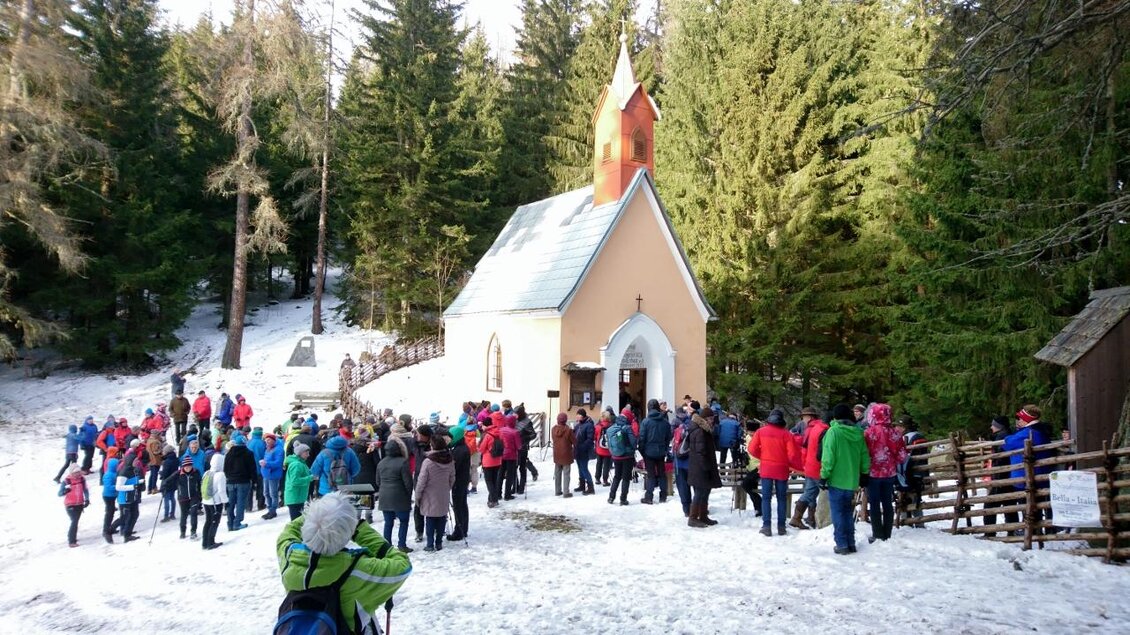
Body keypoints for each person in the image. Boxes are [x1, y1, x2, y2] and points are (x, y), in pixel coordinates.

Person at [276, 493, 412, 635]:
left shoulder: (289, 556)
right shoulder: (357, 569)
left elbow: (290, 530)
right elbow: (403, 565)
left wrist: (320, 512)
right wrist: (359, 528)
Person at [821, 403, 871, 555]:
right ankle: (851, 542)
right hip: (852, 480)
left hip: (836, 479)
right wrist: (864, 474)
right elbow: (864, 456)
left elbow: (828, 457)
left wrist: (824, 475)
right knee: (848, 512)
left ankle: (842, 543)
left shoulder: (833, 432)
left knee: (838, 512)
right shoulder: (858, 433)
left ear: (835, 416)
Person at [750, 409, 801, 536]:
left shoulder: (761, 432)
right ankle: (781, 527)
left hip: (766, 468)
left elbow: (752, 449)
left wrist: (763, 457)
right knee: (781, 498)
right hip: (781, 469)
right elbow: (792, 454)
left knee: (766, 498)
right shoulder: (787, 434)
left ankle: (766, 526)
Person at [1002, 404, 1054, 530]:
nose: (1018, 420)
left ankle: (1032, 531)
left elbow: (1008, 443)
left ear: (1027, 419)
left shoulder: (1029, 433)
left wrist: (1008, 438)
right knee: (1036, 506)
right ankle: (1037, 531)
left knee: (1029, 507)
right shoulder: (1039, 431)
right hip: (1037, 475)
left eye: (1020, 418)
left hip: (1026, 476)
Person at [863, 403, 907, 543]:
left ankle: (877, 533)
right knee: (887, 503)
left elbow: (864, 453)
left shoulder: (869, 433)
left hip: (873, 473)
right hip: (889, 473)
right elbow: (902, 456)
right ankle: (887, 533)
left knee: (874, 503)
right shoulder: (895, 433)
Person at [415, 436, 456, 552]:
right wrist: (447, 488)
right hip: (443, 493)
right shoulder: (450, 460)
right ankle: (439, 543)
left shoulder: (428, 462)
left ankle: (430, 544)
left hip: (429, 494)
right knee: (442, 517)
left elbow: (421, 481)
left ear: (432, 446)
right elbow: (452, 477)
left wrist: (418, 495)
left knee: (430, 518)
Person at [793, 406, 828, 529]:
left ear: (810, 417)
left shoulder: (809, 430)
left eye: (804, 417)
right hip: (818, 467)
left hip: (810, 466)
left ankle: (800, 518)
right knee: (822, 493)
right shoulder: (823, 429)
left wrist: (804, 465)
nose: (802, 420)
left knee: (810, 492)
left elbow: (804, 450)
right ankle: (817, 520)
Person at [376, 437, 413, 552]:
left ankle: (387, 546)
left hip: (384, 497)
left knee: (388, 523)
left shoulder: (381, 463)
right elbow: (408, 482)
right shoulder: (403, 462)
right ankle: (402, 545)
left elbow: (378, 481)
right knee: (403, 521)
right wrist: (408, 495)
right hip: (400, 496)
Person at [982, 416, 1017, 534]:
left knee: (990, 504)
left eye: (993, 425)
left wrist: (997, 475)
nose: (991, 427)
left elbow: (1000, 459)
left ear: (999, 426)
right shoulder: (1005, 435)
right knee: (1009, 504)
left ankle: (990, 531)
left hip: (1002, 476)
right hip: (1008, 475)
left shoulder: (1001, 437)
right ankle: (1012, 531)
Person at [686, 412, 721, 528]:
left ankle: (703, 515)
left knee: (705, 491)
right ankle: (693, 518)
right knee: (700, 492)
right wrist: (706, 467)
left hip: (701, 467)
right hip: (700, 468)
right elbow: (700, 452)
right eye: (710, 418)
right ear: (704, 419)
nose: (712, 420)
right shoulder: (700, 431)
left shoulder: (703, 430)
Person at [638, 399, 672, 504]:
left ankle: (649, 497)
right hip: (661, 451)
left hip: (649, 451)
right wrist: (665, 448)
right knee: (662, 474)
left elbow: (642, 438)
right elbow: (668, 437)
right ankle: (663, 496)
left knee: (651, 475)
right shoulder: (665, 422)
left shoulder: (645, 422)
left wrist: (642, 451)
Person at [224, 433, 257, 531]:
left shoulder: (229, 454)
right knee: (241, 502)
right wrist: (254, 481)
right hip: (243, 481)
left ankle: (230, 522)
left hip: (231, 481)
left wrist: (229, 477)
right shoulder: (248, 453)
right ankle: (237, 522)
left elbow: (225, 468)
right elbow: (252, 468)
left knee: (230, 502)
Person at [606, 414, 637, 506]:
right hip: (627, 456)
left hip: (616, 456)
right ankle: (623, 499)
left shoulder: (611, 429)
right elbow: (633, 442)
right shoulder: (627, 428)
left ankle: (611, 497)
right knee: (626, 478)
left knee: (617, 476)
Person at [446, 425, 471, 542]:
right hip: (463, 479)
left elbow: (454, 467)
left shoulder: (459, 450)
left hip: (459, 480)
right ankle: (463, 529)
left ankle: (459, 531)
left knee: (458, 505)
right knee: (462, 504)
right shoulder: (460, 447)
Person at [201, 453, 227, 549]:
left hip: (206, 501)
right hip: (215, 502)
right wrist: (226, 502)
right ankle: (211, 542)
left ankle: (204, 542)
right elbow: (221, 491)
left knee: (208, 521)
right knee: (215, 522)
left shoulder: (206, 473)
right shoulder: (220, 475)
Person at [58, 464, 89, 547]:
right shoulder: (66, 481)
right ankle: (71, 541)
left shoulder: (82, 479)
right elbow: (59, 494)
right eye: (76, 472)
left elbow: (85, 490)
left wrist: (87, 499)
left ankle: (72, 536)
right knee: (74, 521)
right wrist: (65, 491)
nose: (78, 474)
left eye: (79, 472)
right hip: (70, 504)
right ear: (71, 473)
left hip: (79, 504)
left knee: (75, 521)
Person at [173, 455, 201, 539]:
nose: (188, 468)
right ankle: (183, 531)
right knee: (184, 515)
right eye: (186, 466)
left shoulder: (196, 472)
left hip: (194, 497)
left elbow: (200, 483)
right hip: (183, 498)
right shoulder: (179, 473)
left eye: (189, 466)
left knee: (193, 513)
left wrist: (200, 495)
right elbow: (168, 481)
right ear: (183, 466)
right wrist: (164, 487)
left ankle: (193, 531)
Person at [284, 444, 314, 520]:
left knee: (299, 521)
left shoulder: (301, 463)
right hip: (295, 498)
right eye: (306, 453)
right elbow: (295, 481)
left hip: (298, 497)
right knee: (296, 521)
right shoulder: (296, 465)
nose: (308, 455)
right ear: (300, 453)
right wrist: (310, 478)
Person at [514, 405, 539, 494]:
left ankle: (521, 487)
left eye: (516, 413)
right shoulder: (514, 420)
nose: (515, 415)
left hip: (523, 447)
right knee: (514, 467)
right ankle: (515, 486)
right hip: (514, 447)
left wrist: (525, 438)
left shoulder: (527, 422)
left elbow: (533, 434)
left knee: (522, 467)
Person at [479, 418, 504, 508]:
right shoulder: (499, 433)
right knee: (494, 480)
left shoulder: (487, 435)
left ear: (485, 425)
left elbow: (481, 449)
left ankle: (494, 499)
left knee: (489, 481)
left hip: (488, 461)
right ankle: (491, 500)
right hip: (498, 460)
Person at [115, 461, 142, 542]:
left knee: (134, 514)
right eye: (135, 460)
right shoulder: (124, 472)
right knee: (126, 516)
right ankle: (112, 530)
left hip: (133, 496)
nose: (137, 462)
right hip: (125, 498)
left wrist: (140, 482)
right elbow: (118, 487)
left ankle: (128, 533)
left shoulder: (135, 470)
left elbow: (133, 481)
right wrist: (133, 487)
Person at [261, 433, 285, 520]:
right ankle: (269, 509)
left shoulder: (279, 449)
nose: (267, 442)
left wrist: (266, 464)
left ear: (273, 440)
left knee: (273, 493)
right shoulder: (268, 448)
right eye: (266, 440)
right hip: (266, 474)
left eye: (268, 440)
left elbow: (278, 463)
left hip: (273, 474)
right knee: (266, 493)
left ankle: (273, 510)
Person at [573, 409, 596, 495]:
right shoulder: (578, 425)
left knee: (584, 468)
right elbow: (575, 435)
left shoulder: (589, 425)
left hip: (584, 451)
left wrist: (582, 447)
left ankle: (590, 487)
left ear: (582, 416)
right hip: (577, 450)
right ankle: (582, 485)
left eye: (578, 415)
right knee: (580, 468)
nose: (576, 416)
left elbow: (590, 439)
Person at [552, 413, 575, 498]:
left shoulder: (553, 429)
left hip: (557, 453)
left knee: (557, 472)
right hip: (566, 454)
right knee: (566, 473)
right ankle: (566, 492)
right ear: (565, 420)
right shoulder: (568, 430)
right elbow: (574, 441)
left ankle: (557, 491)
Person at [499, 414, 521, 500]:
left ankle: (498, 493)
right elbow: (519, 446)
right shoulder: (515, 432)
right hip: (511, 455)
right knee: (510, 475)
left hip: (501, 454)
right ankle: (507, 494)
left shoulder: (501, 430)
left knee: (500, 474)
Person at [247, 427, 267, 511]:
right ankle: (260, 504)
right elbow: (265, 455)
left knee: (249, 488)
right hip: (260, 468)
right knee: (261, 487)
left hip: (249, 469)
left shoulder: (248, 442)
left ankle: (248, 507)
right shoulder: (263, 443)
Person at [158, 444, 179, 522]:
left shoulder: (167, 461)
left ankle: (166, 515)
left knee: (166, 499)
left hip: (167, 481)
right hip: (174, 480)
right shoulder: (176, 459)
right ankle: (172, 514)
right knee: (172, 497)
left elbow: (165, 473)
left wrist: (161, 473)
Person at [101, 457, 119, 544]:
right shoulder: (108, 475)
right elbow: (108, 486)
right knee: (109, 513)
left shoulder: (115, 473)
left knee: (111, 512)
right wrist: (118, 487)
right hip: (108, 496)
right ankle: (106, 529)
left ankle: (109, 528)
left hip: (113, 495)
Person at [593, 410, 613, 487]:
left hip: (599, 449)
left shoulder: (598, 427)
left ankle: (597, 478)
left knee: (599, 464)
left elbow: (594, 437)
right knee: (606, 465)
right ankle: (605, 480)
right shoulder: (612, 427)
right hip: (608, 450)